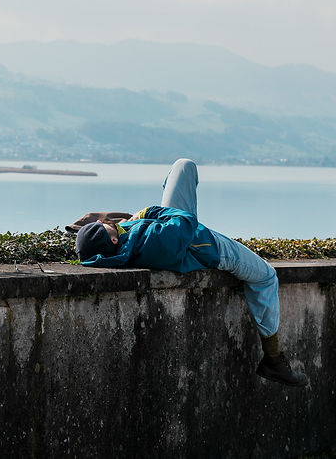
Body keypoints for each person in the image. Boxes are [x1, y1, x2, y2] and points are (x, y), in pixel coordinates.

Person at [68, 158, 309, 387]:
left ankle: (274, 359)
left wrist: (134, 219)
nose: (107, 222)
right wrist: (148, 213)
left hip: (181, 232)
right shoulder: (152, 242)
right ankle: (274, 358)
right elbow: (185, 222)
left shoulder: (124, 239)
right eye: (107, 227)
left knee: (183, 166)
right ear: (111, 240)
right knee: (267, 276)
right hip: (208, 246)